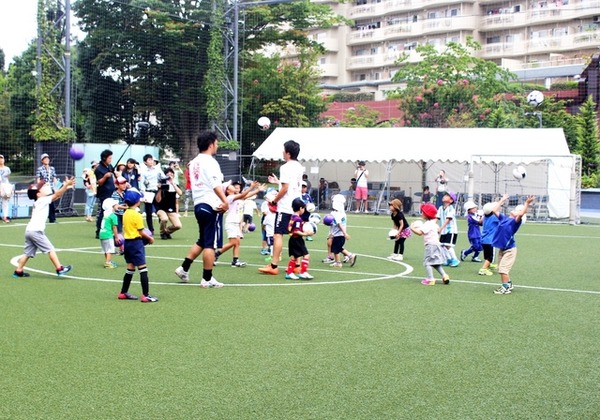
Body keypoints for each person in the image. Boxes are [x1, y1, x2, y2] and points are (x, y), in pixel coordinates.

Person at [174, 130, 228, 288]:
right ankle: (207, 278)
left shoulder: (194, 161)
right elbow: (215, 184)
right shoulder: (210, 162)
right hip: (211, 204)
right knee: (210, 244)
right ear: (211, 145)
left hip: (198, 205)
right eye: (216, 143)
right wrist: (225, 201)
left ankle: (183, 268)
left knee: (203, 240)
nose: (217, 146)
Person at [12, 178, 75, 278]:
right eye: (42, 188)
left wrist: (66, 186)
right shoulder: (42, 200)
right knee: (50, 249)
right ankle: (59, 268)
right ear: (38, 194)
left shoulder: (39, 201)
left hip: (29, 231)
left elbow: (57, 194)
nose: (45, 187)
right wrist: (66, 185)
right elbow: (57, 195)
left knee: (27, 253)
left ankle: (18, 271)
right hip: (36, 231)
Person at [258, 140, 304, 276]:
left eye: (284, 151)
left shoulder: (285, 167)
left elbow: (285, 188)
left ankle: (274, 265)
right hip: (296, 205)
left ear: (288, 153)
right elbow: (293, 185)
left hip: (285, 207)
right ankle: (297, 265)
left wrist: (274, 200)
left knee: (278, 234)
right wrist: (278, 182)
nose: (282, 153)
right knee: (295, 235)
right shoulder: (299, 167)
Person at [117, 188, 158, 302]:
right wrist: (150, 238)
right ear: (138, 201)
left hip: (127, 244)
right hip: (136, 243)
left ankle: (123, 292)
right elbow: (141, 231)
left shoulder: (126, 213)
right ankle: (146, 295)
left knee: (130, 268)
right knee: (143, 268)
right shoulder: (137, 215)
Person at [491, 195, 535, 295]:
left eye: (518, 211)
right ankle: (509, 283)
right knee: (501, 268)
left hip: (509, 250)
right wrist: (502, 200)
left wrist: (527, 203)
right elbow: (494, 210)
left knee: (503, 269)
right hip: (502, 249)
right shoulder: (504, 219)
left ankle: (505, 288)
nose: (515, 211)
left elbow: (522, 213)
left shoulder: (515, 222)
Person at [215, 180, 261, 267]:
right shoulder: (229, 197)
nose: (234, 186)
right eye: (231, 186)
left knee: (237, 242)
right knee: (233, 242)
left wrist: (257, 190)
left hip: (236, 223)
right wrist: (251, 187)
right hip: (231, 222)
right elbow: (244, 195)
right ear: (227, 191)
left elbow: (246, 195)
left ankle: (235, 261)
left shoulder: (237, 197)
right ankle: (216, 254)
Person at [410, 203, 450, 286]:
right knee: (435, 263)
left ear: (427, 214)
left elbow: (419, 233)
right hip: (437, 244)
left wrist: (412, 228)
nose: (422, 214)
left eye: (423, 212)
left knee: (427, 262)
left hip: (430, 246)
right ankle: (445, 276)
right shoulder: (434, 224)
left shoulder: (427, 224)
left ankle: (430, 279)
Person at [284, 197, 314, 280]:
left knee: (294, 257)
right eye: (304, 208)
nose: (304, 210)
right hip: (297, 239)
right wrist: (306, 233)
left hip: (293, 240)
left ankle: (290, 273)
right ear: (301, 208)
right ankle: (303, 272)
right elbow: (296, 231)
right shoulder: (298, 219)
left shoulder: (293, 217)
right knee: (306, 255)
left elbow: (291, 228)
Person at [478, 195, 509, 276]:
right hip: (490, 240)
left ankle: (488, 265)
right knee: (490, 257)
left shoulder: (485, 217)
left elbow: (480, 221)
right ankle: (483, 269)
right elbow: (496, 211)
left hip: (483, 240)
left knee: (487, 255)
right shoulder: (494, 217)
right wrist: (502, 200)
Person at [328, 194, 357, 268]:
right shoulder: (342, 213)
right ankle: (350, 255)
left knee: (336, 249)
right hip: (339, 235)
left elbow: (339, 224)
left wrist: (345, 233)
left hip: (338, 235)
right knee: (339, 248)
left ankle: (338, 262)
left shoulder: (337, 214)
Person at [155, 167, 183, 239]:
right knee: (164, 219)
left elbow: (180, 193)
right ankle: (162, 233)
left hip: (171, 209)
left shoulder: (175, 185)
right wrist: (160, 189)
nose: (170, 175)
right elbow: (158, 200)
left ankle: (166, 231)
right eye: (167, 174)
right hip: (161, 208)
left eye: (171, 173)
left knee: (178, 225)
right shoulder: (162, 185)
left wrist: (173, 183)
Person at [94, 149, 116, 239]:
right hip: (104, 193)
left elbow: (114, 175)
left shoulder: (110, 166)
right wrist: (105, 176)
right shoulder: (99, 169)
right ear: (104, 158)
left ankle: (109, 229)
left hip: (112, 192)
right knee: (104, 212)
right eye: (109, 158)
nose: (111, 159)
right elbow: (100, 182)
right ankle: (99, 230)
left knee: (111, 211)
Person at [436, 191, 460, 267]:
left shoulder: (451, 209)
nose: (444, 196)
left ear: (451, 200)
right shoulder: (440, 208)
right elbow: (437, 218)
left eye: (447, 195)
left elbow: (448, 220)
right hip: (443, 231)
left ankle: (455, 259)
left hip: (450, 230)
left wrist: (441, 228)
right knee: (442, 245)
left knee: (448, 245)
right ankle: (448, 259)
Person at [36, 153, 58, 223]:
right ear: (42, 161)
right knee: (44, 203)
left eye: (47, 158)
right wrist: (39, 188)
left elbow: (54, 178)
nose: (46, 159)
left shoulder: (52, 168)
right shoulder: (39, 169)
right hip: (44, 188)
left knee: (51, 203)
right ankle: (42, 218)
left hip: (51, 187)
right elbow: (38, 179)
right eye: (44, 158)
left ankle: (52, 218)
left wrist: (55, 187)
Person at [99, 198, 120, 268]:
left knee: (106, 249)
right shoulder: (113, 216)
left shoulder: (105, 215)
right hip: (108, 235)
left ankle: (108, 261)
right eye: (116, 205)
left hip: (102, 234)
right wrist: (116, 237)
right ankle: (108, 262)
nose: (118, 206)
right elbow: (114, 227)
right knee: (110, 250)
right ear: (112, 206)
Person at [0, 154, 14, 223]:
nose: (1, 160)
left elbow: (8, 178)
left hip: (5, 186)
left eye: (2, 158)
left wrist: (8, 187)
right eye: (0, 158)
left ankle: (5, 217)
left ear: (4, 160)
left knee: (5, 202)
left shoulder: (7, 168)